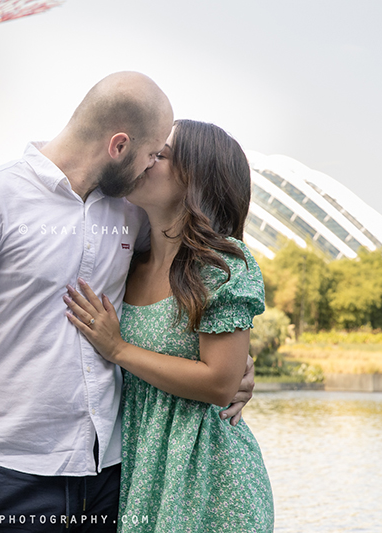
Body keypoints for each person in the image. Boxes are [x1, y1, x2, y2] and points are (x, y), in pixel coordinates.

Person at [0, 73, 255, 532]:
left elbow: (187, 281)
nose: (152, 164)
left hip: (109, 479)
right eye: (151, 153)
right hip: (7, 476)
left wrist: (236, 360)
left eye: (162, 155)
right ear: (119, 146)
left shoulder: (131, 212)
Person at [64, 119, 274, 531]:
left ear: (195, 178)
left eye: (161, 155)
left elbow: (220, 383)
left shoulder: (224, 266)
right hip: (143, 469)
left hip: (211, 478)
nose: (146, 159)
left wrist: (119, 349)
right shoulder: (130, 262)